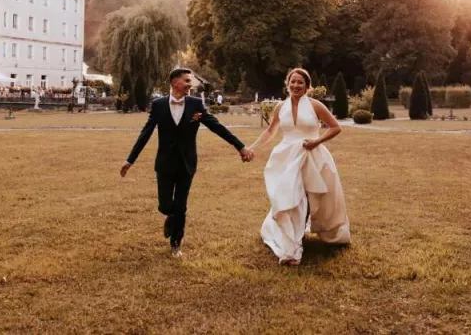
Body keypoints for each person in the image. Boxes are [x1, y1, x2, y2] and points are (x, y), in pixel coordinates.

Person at [121, 68, 255, 258]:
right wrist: (130, 160)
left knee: (181, 205)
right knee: (166, 205)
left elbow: (217, 126)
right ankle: (170, 216)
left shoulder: (196, 104)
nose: (189, 84)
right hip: (165, 163)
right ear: (175, 83)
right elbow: (146, 133)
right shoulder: (158, 105)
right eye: (186, 81)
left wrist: (240, 147)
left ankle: (176, 243)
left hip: (187, 163)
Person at [248, 68, 350, 265]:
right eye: (292, 82)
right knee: (291, 197)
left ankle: (317, 232)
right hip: (287, 158)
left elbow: (336, 127)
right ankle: (293, 244)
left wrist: (316, 141)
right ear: (287, 84)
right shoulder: (280, 107)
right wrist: (252, 148)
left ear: (307, 86)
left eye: (300, 83)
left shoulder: (315, 105)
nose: (296, 86)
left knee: (316, 197)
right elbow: (270, 132)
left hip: (313, 156)